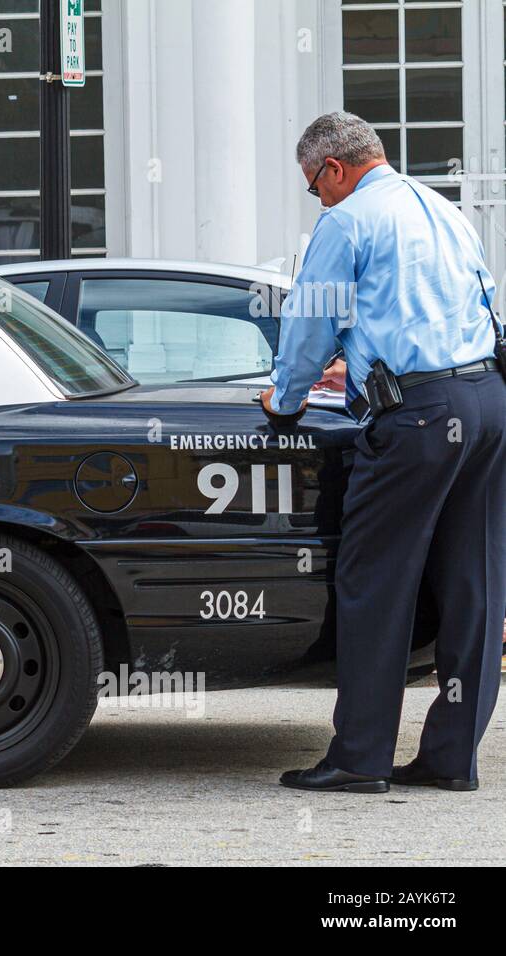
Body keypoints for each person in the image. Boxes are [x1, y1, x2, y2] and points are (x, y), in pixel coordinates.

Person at [266, 112, 504, 794]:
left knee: (375, 581)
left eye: (315, 187)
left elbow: (310, 324)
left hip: (418, 421)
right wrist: (373, 362)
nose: (319, 199)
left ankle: (359, 759)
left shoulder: (346, 222)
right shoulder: (441, 208)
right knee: (474, 587)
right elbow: (472, 306)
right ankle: (450, 759)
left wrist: (285, 400)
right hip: (485, 399)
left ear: (333, 169)